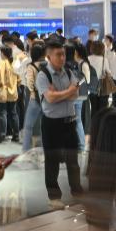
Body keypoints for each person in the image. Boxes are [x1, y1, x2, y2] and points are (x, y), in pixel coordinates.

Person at [37, 41, 83, 206]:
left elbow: (75, 95)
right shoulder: (43, 75)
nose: (62, 58)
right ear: (48, 56)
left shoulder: (69, 72)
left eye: (63, 54)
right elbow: (50, 98)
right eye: (58, 54)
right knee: (52, 161)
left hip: (69, 122)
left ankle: (77, 191)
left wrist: (60, 93)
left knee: (73, 160)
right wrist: (67, 91)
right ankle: (54, 197)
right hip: (51, 124)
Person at [21, 44, 46, 152]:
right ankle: (45, 149)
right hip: (46, 99)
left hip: (34, 99)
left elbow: (29, 83)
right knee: (45, 126)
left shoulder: (31, 67)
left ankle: (26, 150)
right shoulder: (47, 65)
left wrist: (33, 90)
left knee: (28, 126)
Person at [0, 46, 19, 143]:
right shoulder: (15, 63)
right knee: (13, 113)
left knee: (2, 113)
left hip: (3, 91)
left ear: (3, 53)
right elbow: (19, 79)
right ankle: (16, 135)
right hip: (13, 91)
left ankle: (2, 135)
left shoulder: (0, 63)